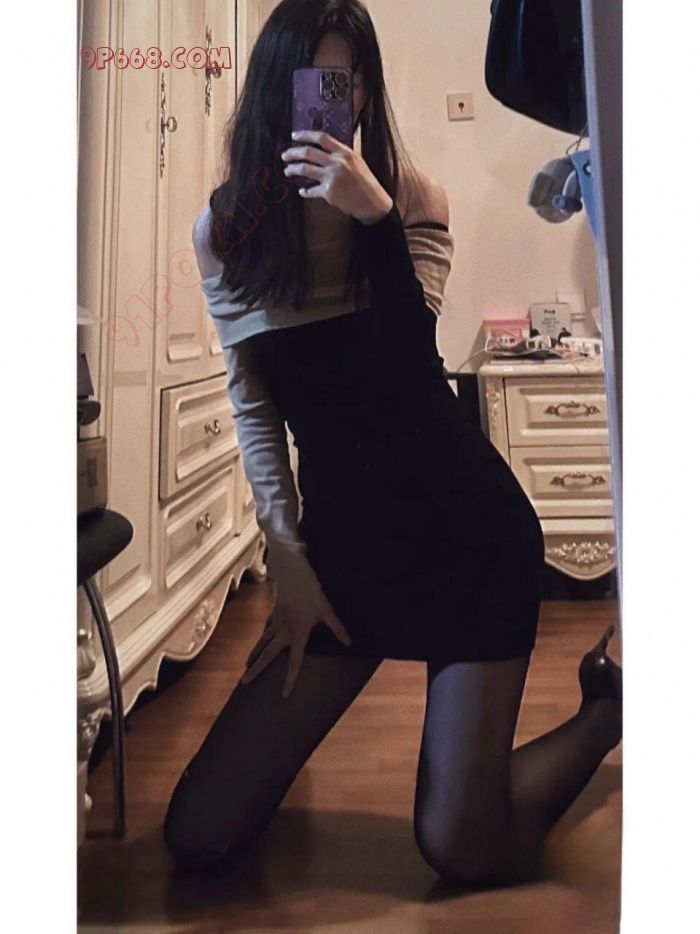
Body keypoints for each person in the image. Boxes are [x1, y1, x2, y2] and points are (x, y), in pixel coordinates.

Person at [164, 0, 622, 887]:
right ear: (272, 90)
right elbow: (256, 410)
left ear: (368, 92)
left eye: (347, 82)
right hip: (343, 553)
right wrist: (289, 566)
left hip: (464, 535)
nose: (327, 104)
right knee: (201, 831)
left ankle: (608, 709)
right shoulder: (226, 233)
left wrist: (375, 224)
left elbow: (409, 378)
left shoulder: (412, 203)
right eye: (311, 82)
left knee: (462, 846)